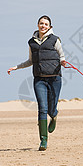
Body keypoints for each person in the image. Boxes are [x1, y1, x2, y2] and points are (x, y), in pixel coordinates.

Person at [7, 15, 66, 151]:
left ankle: (54, 115)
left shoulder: (55, 40)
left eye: (46, 24)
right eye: (41, 23)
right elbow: (30, 61)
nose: (43, 26)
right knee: (42, 108)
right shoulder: (31, 42)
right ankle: (43, 140)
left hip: (54, 78)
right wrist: (16, 67)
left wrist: (62, 61)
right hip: (39, 79)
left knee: (51, 109)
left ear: (50, 27)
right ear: (38, 25)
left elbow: (61, 55)